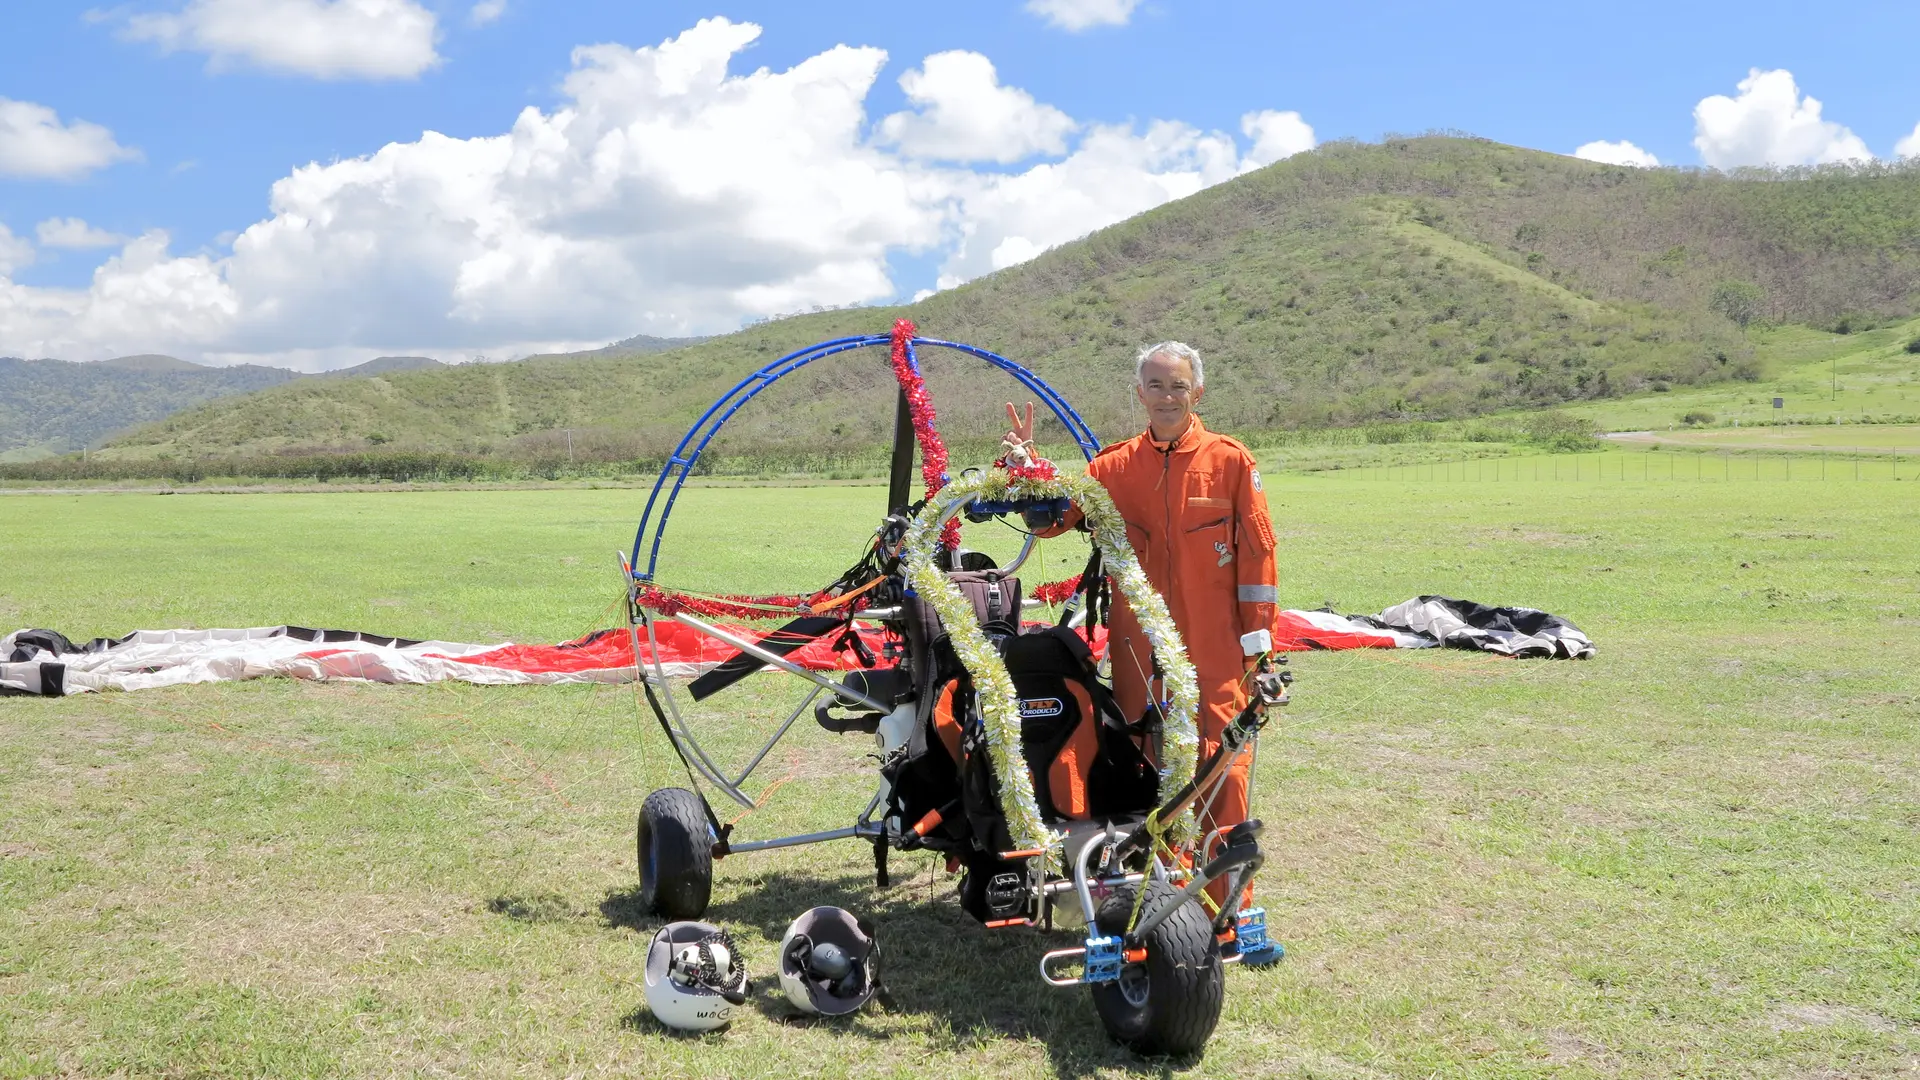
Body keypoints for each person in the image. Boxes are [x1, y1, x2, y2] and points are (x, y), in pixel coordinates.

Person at [1006, 341, 1278, 907]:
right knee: (1147, 770)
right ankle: (1162, 903)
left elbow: (1257, 563)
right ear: (1139, 394)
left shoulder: (1230, 462)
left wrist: (1256, 646)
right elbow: (1055, 519)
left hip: (1216, 649)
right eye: (1155, 385)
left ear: (1197, 392)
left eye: (1178, 386)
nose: (1167, 396)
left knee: (1223, 769)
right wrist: (1028, 469)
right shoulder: (1112, 466)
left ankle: (1229, 910)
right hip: (1138, 652)